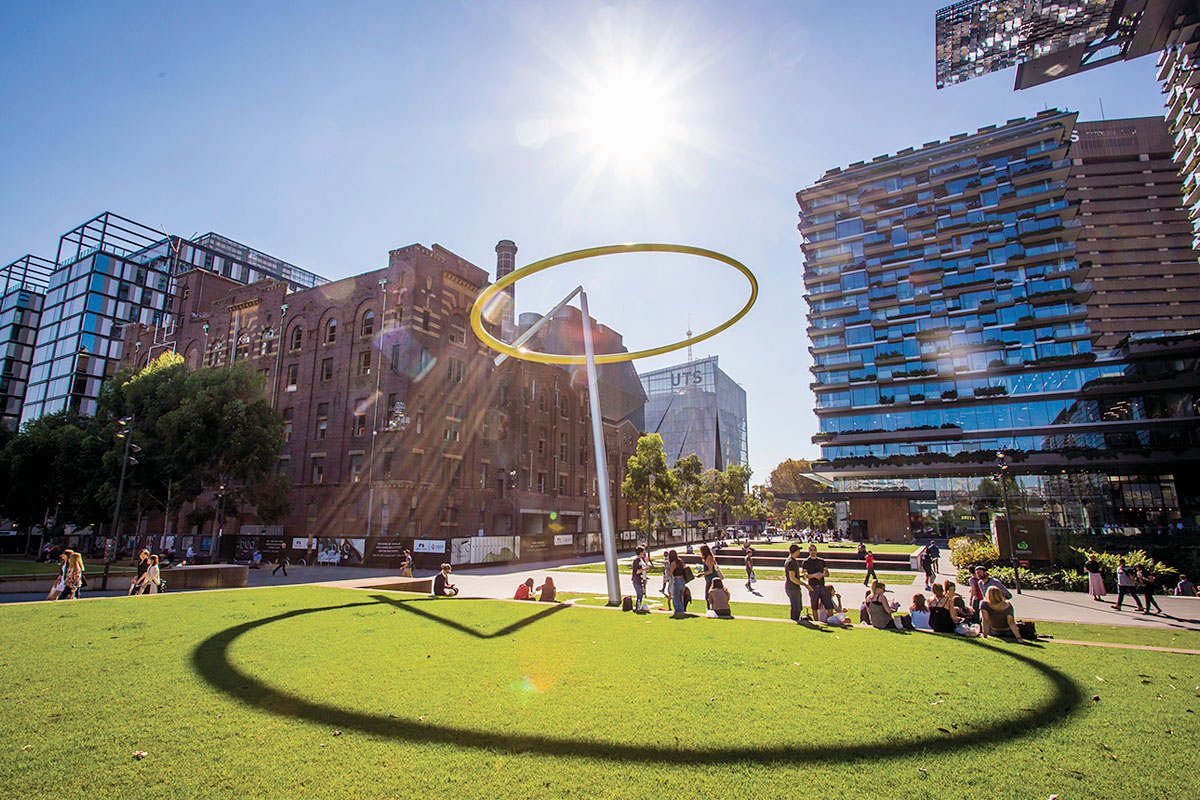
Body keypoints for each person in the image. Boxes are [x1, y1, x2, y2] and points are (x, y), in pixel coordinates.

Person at [802, 544, 836, 618]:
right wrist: (814, 575)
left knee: (829, 606)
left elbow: (827, 573)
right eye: (811, 550)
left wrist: (822, 575)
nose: (813, 552)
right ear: (808, 551)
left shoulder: (821, 561)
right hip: (813, 587)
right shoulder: (806, 562)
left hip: (822, 586)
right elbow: (804, 575)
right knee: (814, 607)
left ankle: (829, 621)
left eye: (814, 550)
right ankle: (817, 622)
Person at [783, 544, 806, 623]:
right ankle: (794, 620)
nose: (799, 552)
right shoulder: (791, 562)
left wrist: (800, 576)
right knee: (796, 607)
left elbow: (793, 575)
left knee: (797, 606)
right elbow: (792, 578)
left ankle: (795, 619)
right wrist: (805, 584)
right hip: (792, 587)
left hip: (793, 587)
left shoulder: (792, 560)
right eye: (798, 550)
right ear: (795, 551)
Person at [667, 550, 688, 617]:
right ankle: (681, 609)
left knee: (676, 596)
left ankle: (678, 611)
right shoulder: (680, 561)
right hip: (682, 580)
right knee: (680, 596)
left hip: (677, 579)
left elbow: (670, 573)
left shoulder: (673, 563)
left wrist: (667, 568)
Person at [631, 546, 649, 611]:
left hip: (641, 579)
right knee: (639, 594)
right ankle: (637, 607)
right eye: (643, 552)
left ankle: (638, 607)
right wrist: (645, 569)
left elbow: (643, 567)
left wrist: (646, 563)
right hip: (637, 580)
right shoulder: (636, 561)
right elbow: (637, 571)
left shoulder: (641, 560)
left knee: (641, 594)